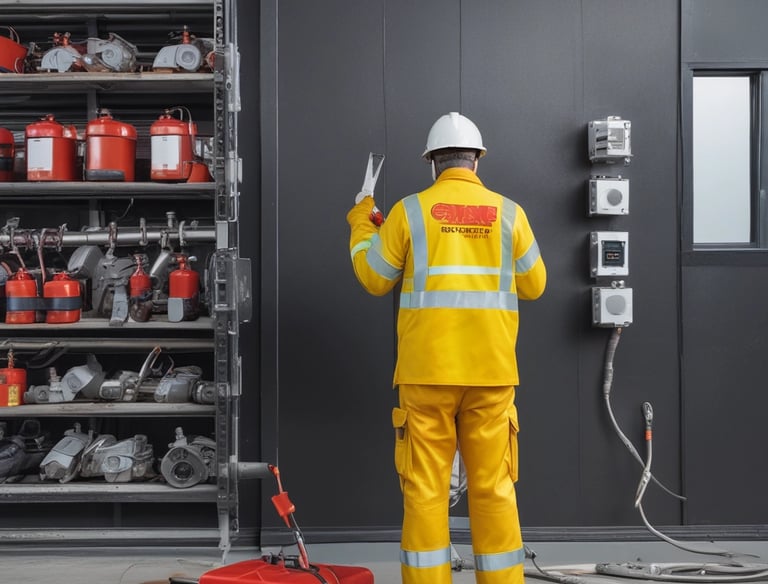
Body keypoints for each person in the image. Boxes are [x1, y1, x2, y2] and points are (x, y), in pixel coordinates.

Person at [346, 112, 546, 584]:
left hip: (425, 373)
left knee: (426, 489)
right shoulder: (510, 213)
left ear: (432, 163)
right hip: (492, 374)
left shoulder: (408, 212)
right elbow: (535, 285)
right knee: (495, 489)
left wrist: (361, 224)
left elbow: (374, 278)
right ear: (476, 159)